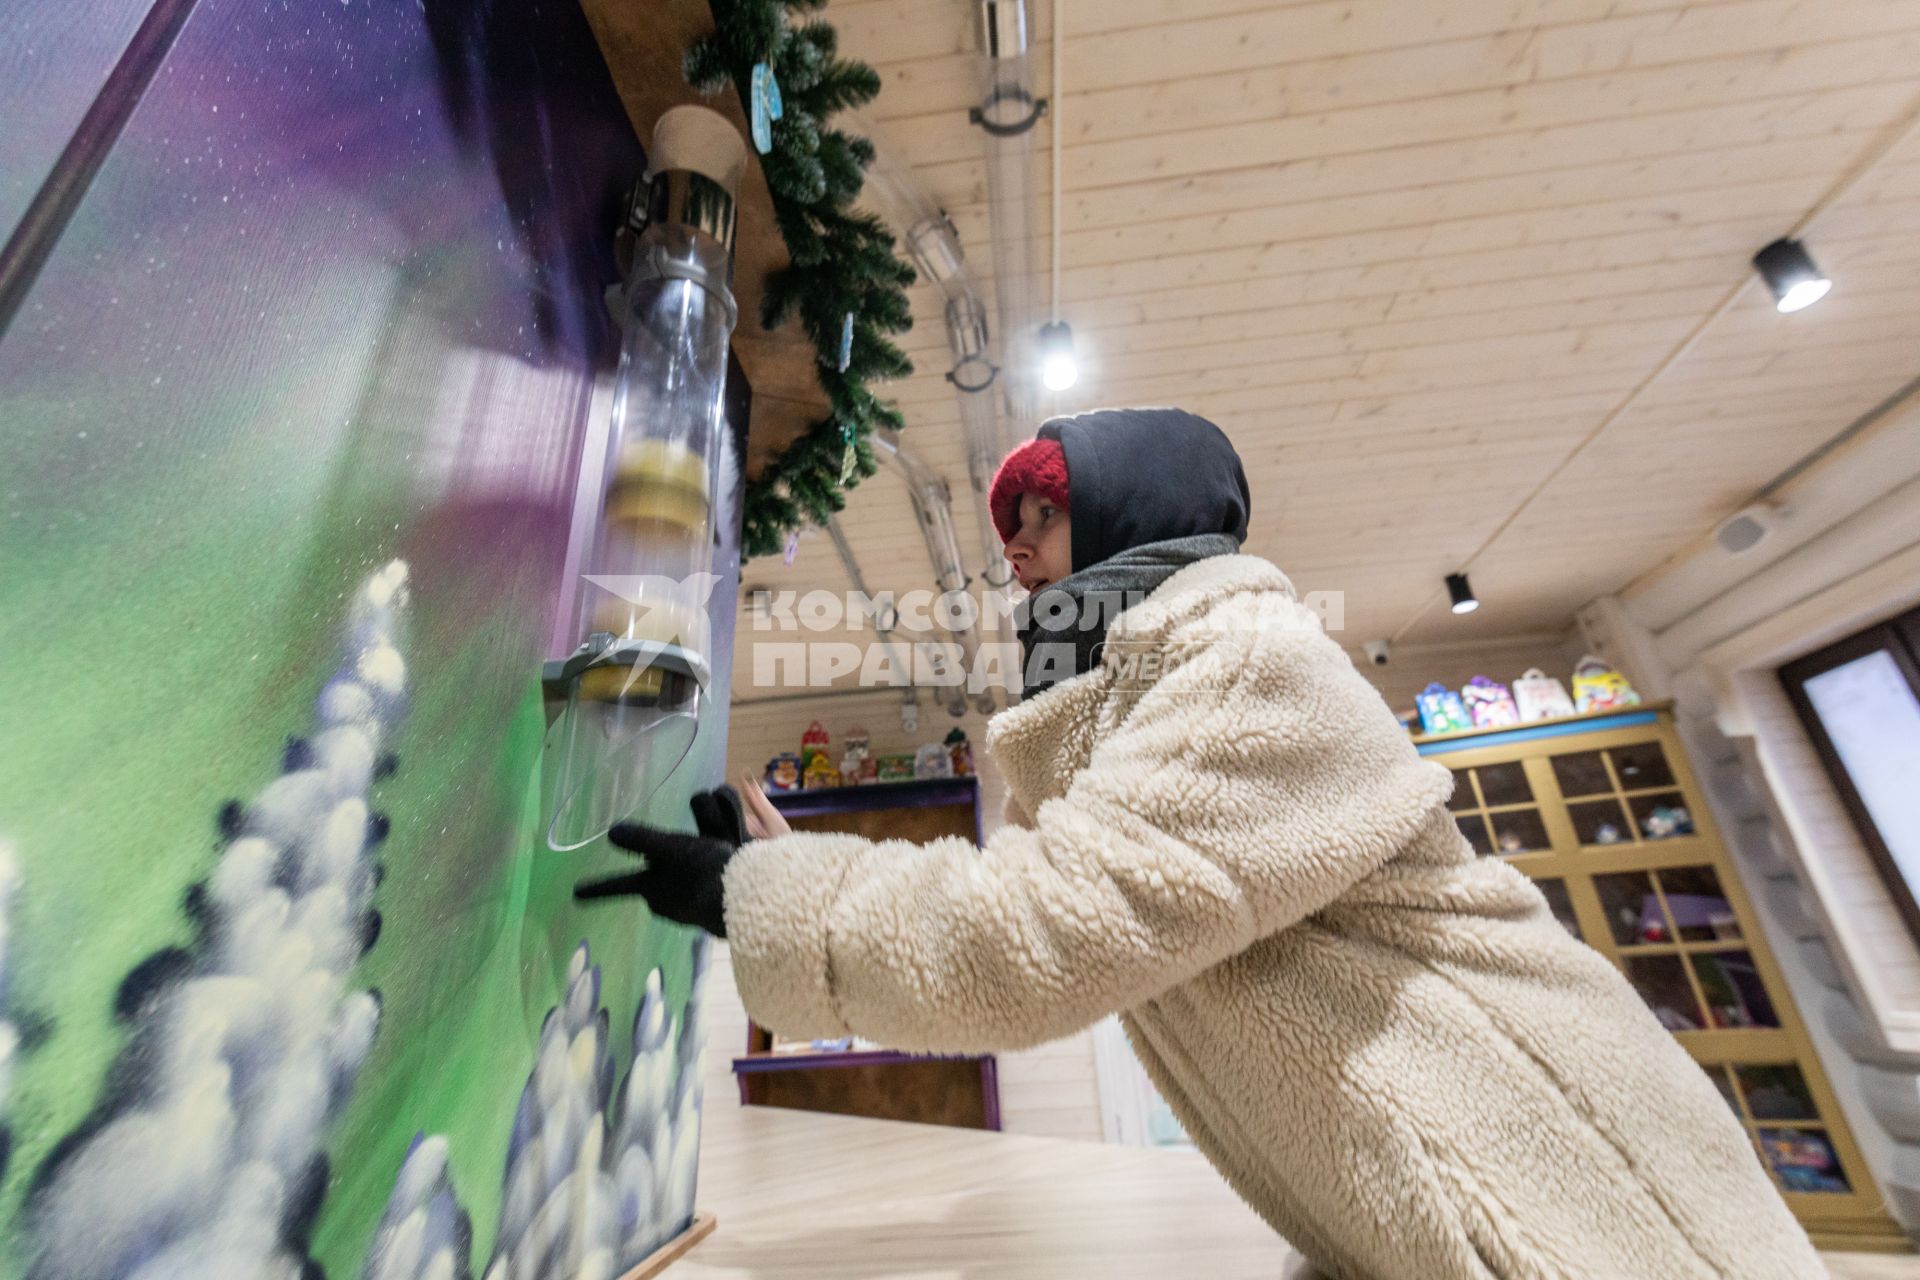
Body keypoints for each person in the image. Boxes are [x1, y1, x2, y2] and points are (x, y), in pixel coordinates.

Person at [577, 408, 1824, 1279]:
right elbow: (1057, 903)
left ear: (1138, 517)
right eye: (1009, 518)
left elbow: (1046, 936)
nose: (1011, 544)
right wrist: (793, 877)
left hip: (1578, 1188)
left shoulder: (1246, 663)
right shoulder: (1126, 708)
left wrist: (778, 894)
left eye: (1042, 513)